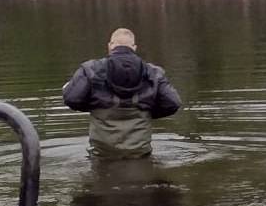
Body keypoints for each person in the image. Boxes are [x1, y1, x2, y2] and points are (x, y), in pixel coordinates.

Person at [61, 28, 182, 159]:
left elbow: (71, 98)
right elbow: (173, 103)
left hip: (103, 151)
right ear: (134, 47)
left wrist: (94, 106)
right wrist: (148, 111)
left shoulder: (90, 69)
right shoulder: (153, 72)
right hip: (140, 151)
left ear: (110, 46)